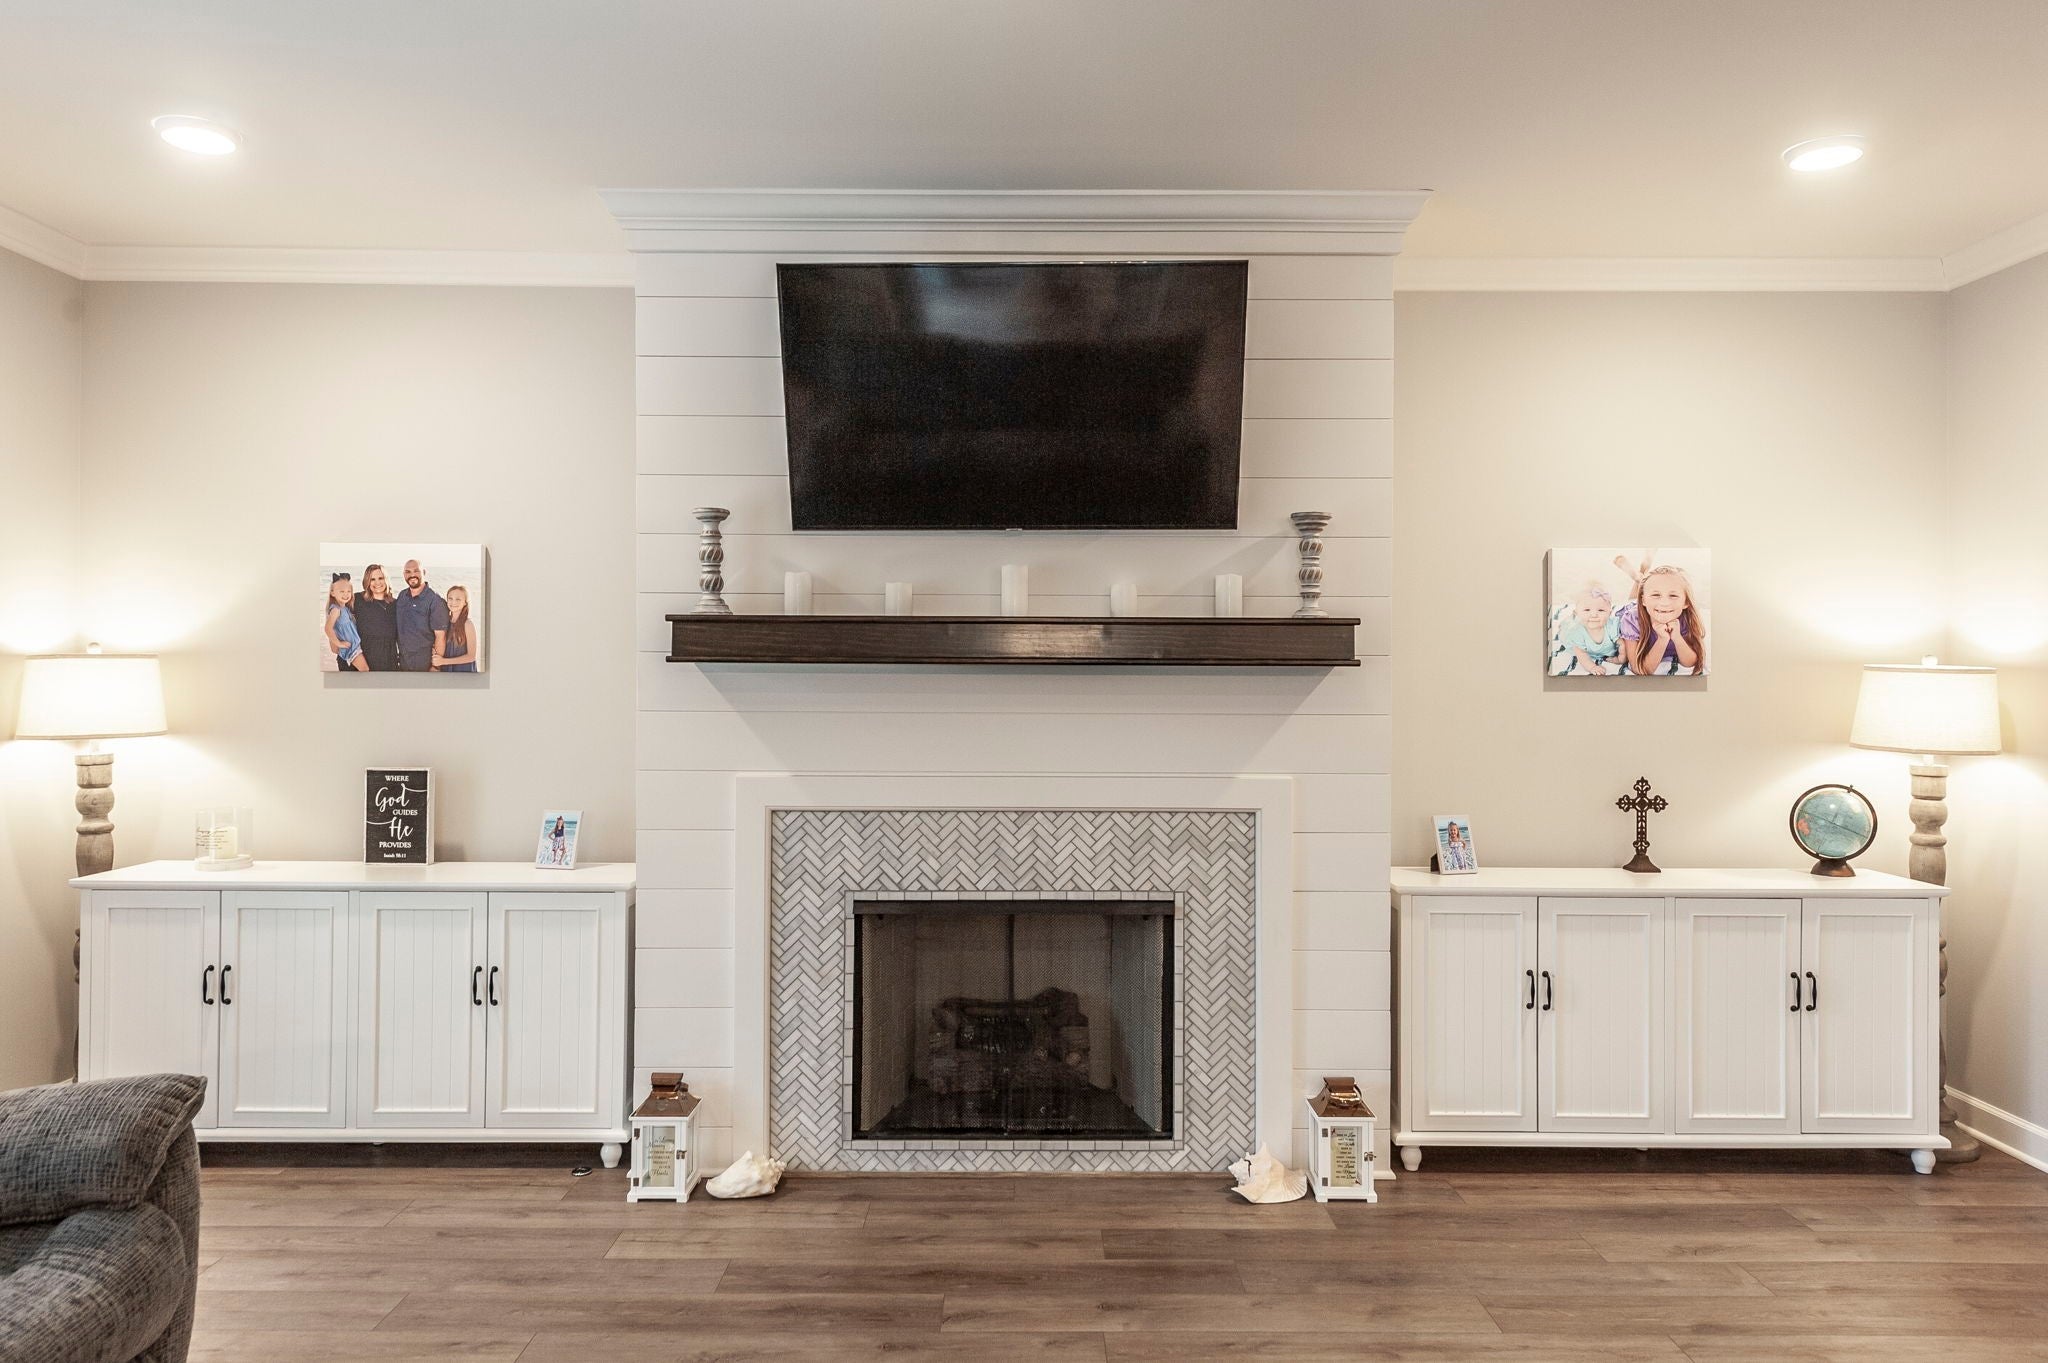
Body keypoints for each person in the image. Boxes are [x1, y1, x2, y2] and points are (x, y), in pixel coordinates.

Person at [1615, 560, 1706, 675]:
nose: (1664, 603)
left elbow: (1690, 663)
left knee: (1642, 593)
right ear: (1643, 600)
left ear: (1686, 602)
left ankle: (1642, 574)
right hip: (1638, 609)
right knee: (1631, 601)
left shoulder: (1687, 619)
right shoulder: (1631, 620)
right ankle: (1640, 575)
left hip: (1646, 604)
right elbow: (1639, 669)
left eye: (1673, 595)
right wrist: (1662, 639)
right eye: (1656, 595)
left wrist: (1677, 637)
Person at [394, 558, 449, 672]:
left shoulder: (435, 600)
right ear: (404, 574)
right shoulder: (402, 596)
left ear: (424, 572)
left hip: (424, 664)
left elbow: (441, 636)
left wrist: (435, 667)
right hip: (403, 662)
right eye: (408, 572)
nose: (412, 575)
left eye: (416, 571)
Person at [1559, 583, 1623, 675]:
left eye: (1601, 610)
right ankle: (1565, 623)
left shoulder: (1612, 626)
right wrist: (1592, 667)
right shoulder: (1577, 632)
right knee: (1565, 628)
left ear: (1609, 613)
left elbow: (1622, 644)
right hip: (1573, 636)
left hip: (1605, 650)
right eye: (1587, 610)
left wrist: (1621, 658)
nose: (1594, 614)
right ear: (1577, 613)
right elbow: (1581, 654)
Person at [353, 563, 401, 671]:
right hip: (364, 663)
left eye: (381, 578)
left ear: (386, 580)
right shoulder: (357, 600)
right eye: (372, 579)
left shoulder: (396, 604)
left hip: (389, 662)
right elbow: (338, 612)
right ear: (367, 582)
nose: (377, 583)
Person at [325, 574, 367, 673]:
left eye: (349, 591)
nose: (346, 594)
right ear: (332, 593)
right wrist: (338, 643)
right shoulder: (336, 610)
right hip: (351, 649)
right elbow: (327, 628)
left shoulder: (345, 608)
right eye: (342, 591)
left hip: (355, 646)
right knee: (365, 670)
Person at [437, 584, 479, 672]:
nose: (453, 602)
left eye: (458, 599)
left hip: (463, 671)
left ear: (465, 602)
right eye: (450, 598)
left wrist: (444, 661)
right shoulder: (444, 622)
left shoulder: (467, 624)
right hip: (446, 671)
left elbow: (471, 656)